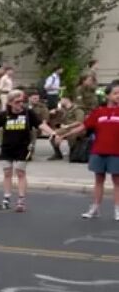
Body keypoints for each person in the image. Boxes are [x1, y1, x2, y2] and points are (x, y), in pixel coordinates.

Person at [55, 83, 119, 220]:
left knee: (117, 181)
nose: (118, 96)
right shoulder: (99, 112)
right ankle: (95, 208)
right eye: (115, 93)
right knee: (98, 180)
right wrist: (63, 135)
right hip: (99, 150)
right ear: (107, 95)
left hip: (116, 152)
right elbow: (83, 126)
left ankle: (117, 209)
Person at [0, 90, 57, 212]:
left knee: (20, 172)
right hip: (7, 147)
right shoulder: (5, 114)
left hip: (22, 147)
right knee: (7, 173)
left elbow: (40, 124)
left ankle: (21, 200)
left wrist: (52, 132)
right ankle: (6, 199)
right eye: (17, 102)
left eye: (22, 101)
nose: (20, 104)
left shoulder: (28, 113)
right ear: (10, 103)